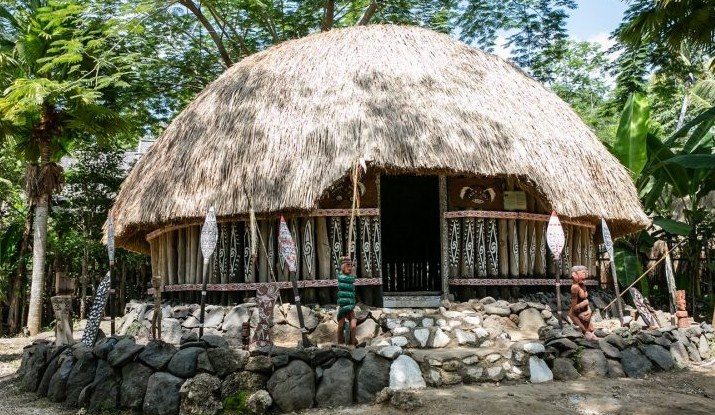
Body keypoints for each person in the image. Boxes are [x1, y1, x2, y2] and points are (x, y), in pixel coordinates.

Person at [569, 265, 597, 340]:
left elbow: (585, 299)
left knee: (591, 329)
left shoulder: (583, 285)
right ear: (575, 275)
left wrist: (589, 310)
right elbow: (574, 307)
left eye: (586, 273)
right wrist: (585, 302)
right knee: (584, 330)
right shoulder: (575, 287)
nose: (586, 274)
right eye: (583, 272)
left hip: (584, 312)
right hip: (575, 315)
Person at [337, 256, 357, 346]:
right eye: (348, 265)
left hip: (350, 305)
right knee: (340, 326)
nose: (350, 268)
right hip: (343, 306)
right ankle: (340, 343)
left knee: (353, 325)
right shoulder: (341, 277)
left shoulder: (351, 278)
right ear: (343, 266)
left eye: (351, 265)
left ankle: (352, 343)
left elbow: (353, 279)